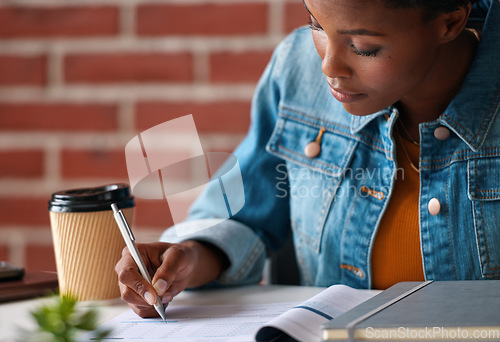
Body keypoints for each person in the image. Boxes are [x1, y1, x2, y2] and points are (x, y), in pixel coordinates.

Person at [115, 0, 499, 318]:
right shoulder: (296, 67)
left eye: (363, 46)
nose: (328, 68)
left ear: (450, 21)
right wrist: (189, 257)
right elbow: (246, 214)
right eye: (316, 24)